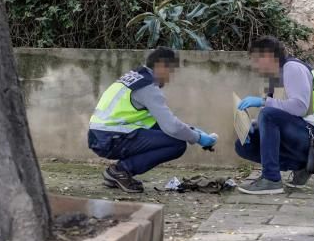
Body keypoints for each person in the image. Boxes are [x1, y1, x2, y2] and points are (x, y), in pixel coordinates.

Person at [88, 47, 217, 193]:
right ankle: (121, 170)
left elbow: (157, 123)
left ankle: (118, 173)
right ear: (161, 66)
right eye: (171, 71)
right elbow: (171, 127)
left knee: (173, 137)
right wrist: (198, 138)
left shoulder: (135, 77)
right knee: (177, 144)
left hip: (101, 136)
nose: (170, 78)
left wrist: (191, 131)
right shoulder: (147, 87)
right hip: (112, 138)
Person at [235, 37, 314, 195]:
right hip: (307, 135)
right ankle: (301, 167)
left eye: (256, 59)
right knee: (243, 145)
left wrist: (262, 102)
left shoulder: (292, 68)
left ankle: (271, 179)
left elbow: (298, 108)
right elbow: (282, 115)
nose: (253, 65)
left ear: (268, 56)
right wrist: (253, 125)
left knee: (267, 114)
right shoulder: (277, 75)